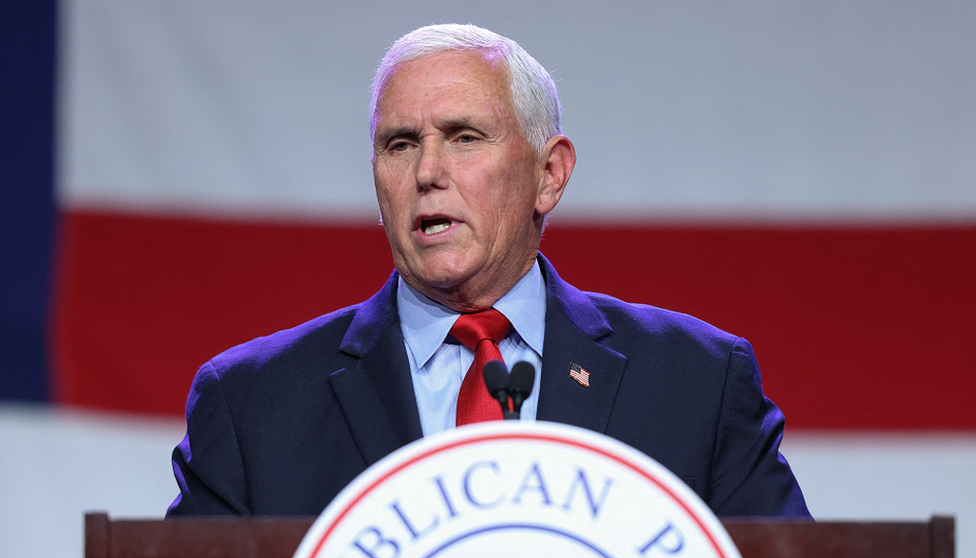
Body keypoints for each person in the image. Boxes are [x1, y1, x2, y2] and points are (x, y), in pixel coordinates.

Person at [167, 24, 809, 518]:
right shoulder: (251, 404)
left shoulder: (696, 383)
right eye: (400, 144)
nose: (426, 172)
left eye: (465, 137)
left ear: (549, 175)